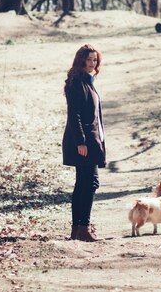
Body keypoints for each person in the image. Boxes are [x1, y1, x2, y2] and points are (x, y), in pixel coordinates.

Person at [62, 44, 106, 242]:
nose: (92, 63)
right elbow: (75, 115)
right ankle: (83, 228)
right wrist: (81, 141)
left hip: (91, 141)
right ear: (80, 60)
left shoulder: (89, 82)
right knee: (88, 183)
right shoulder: (76, 83)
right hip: (83, 142)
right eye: (88, 60)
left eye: (95, 60)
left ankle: (78, 229)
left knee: (84, 184)